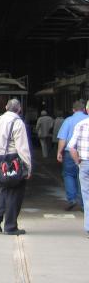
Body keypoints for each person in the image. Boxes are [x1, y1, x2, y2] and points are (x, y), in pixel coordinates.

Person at [0, 98, 32, 235]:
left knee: (4, 189)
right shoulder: (18, 122)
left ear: (6, 107)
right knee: (15, 193)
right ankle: (10, 226)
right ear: (19, 109)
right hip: (13, 159)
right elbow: (22, 147)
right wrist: (27, 167)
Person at [57, 100, 89, 210]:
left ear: (73, 110)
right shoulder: (87, 120)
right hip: (85, 154)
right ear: (84, 109)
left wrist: (59, 152)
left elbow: (63, 138)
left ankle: (72, 199)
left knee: (69, 175)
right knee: (84, 177)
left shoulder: (68, 120)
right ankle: (84, 203)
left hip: (70, 153)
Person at [66, 101, 89, 238]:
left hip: (85, 164)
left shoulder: (81, 125)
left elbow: (72, 148)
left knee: (87, 196)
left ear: (86, 110)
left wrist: (77, 161)